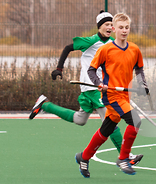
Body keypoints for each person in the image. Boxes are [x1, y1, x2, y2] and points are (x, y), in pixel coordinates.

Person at [28, 11, 143, 166]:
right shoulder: (91, 41)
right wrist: (59, 69)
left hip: (98, 89)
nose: (109, 27)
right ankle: (126, 156)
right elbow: (68, 48)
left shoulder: (112, 44)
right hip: (93, 88)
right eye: (106, 24)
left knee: (80, 119)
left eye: (111, 24)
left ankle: (45, 104)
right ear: (99, 27)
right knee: (110, 121)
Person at [75, 12, 149, 178]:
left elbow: (139, 69)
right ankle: (123, 158)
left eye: (127, 27)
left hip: (125, 97)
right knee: (135, 121)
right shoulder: (105, 49)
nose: (124, 30)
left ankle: (84, 157)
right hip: (111, 96)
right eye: (121, 27)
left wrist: (143, 84)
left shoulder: (134, 49)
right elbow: (91, 70)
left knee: (106, 130)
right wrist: (98, 84)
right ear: (114, 29)